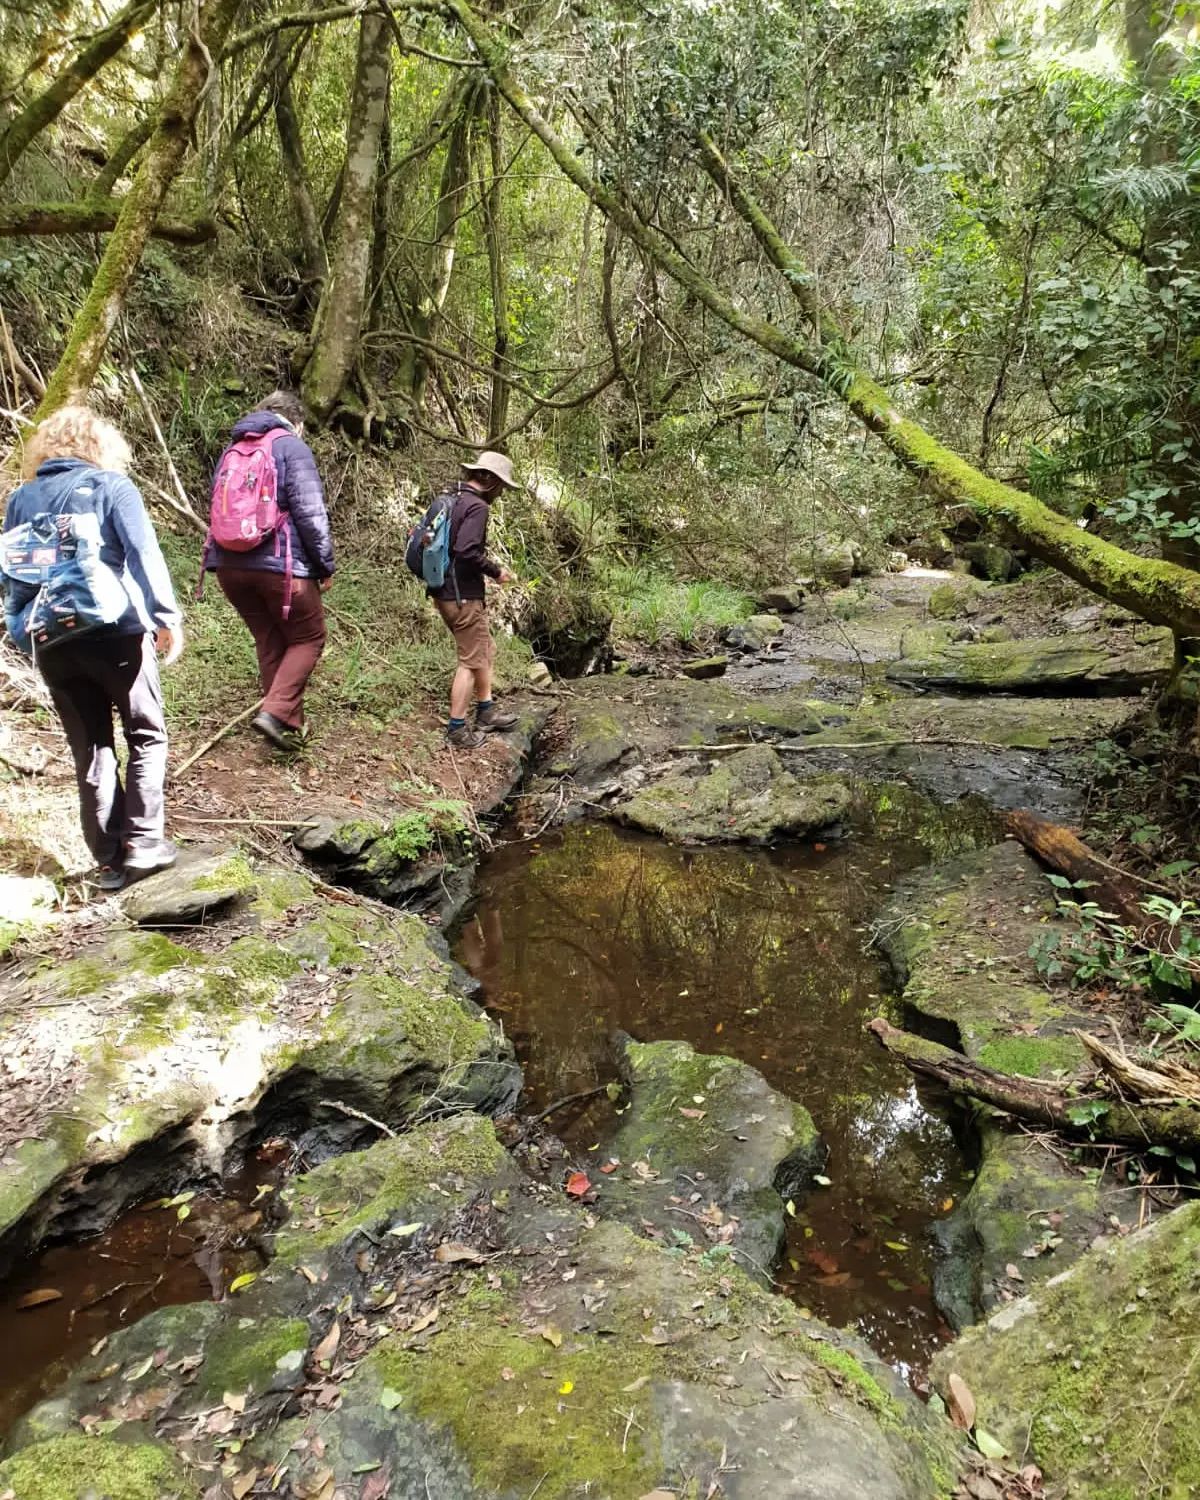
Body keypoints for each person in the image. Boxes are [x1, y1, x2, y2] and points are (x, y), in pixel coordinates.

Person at [2, 405, 182, 891]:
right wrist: (166, 617)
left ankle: (108, 860)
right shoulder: (110, 487)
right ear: (99, 445)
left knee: (91, 747)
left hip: (52, 640)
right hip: (114, 631)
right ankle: (144, 843)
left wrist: (23, 635)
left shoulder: (20, 500)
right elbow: (144, 553)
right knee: (145, 733)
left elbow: (14, 572)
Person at [205, 390, 333, 752]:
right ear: (297, 421)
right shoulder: (291, 447)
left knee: (270, 637)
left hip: (229, 565)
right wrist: (324, 564)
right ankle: (276, 713)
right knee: (309, 637)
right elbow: (310, 512)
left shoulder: (233, 450)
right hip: (279, 566)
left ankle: (286, 726)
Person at [429, 451, 519, 749]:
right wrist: (496, 572)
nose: (501, 492)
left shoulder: (452, 499)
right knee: (470, 661)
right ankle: (456, 728)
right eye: (501, 486)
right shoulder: (477, 507)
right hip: (463, 595)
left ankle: (486, 710)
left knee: (485, 648)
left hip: (443, 591)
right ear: (488, 480)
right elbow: (466, 550)